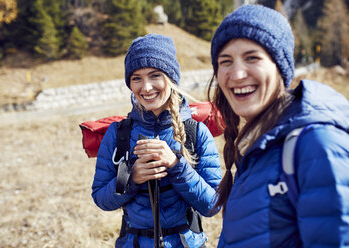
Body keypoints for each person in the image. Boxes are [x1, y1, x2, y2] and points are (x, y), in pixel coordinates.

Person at [207, 4, 349, 248]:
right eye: (226, 61)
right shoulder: (257, 146)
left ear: (280, 67)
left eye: (252, 58)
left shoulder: (316, 144)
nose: (237, 73)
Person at [92, 33, 222, 248]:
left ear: (171, 78)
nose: (146, 87)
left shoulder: (196, 132)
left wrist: (176, 166)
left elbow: (213, 205)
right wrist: (131, 179)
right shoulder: (118, 133)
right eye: (136, 78)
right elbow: (101, 199)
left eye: (155, 75)